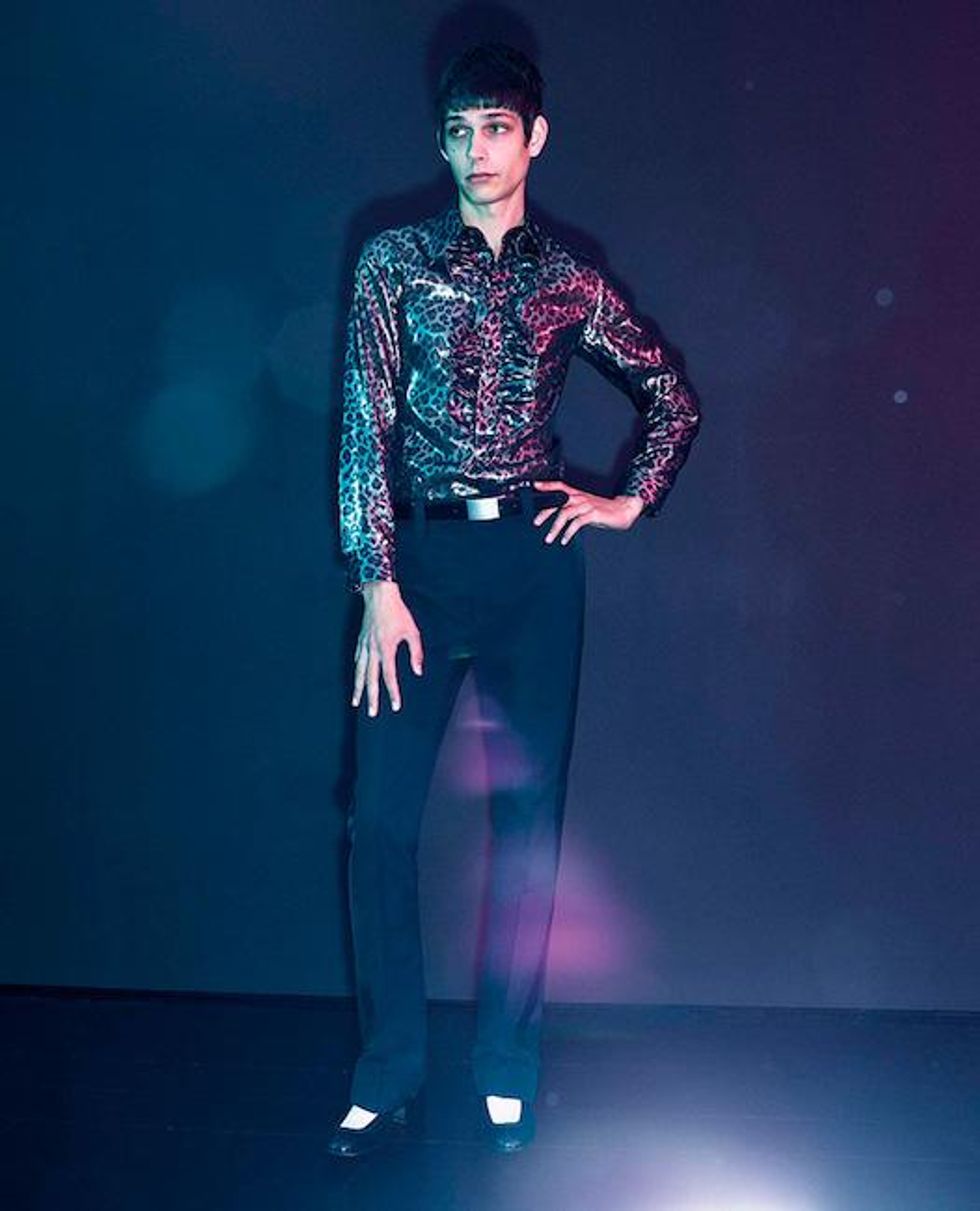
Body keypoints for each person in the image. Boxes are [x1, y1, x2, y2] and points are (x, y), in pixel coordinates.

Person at [328, 41, 701, 1157]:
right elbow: (362, 427)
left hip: (533, 570)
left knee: (529, 827)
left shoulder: (568, 278)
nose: (476, 150)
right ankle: (390, 1070)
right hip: (420, 570)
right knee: (379, 823)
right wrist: (378, 582)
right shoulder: (395, 261)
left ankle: (506, 1065)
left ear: (533, 137)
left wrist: (628, 500)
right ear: (440, 143)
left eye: (496, 128)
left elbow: (670, 396)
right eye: (459, 130)